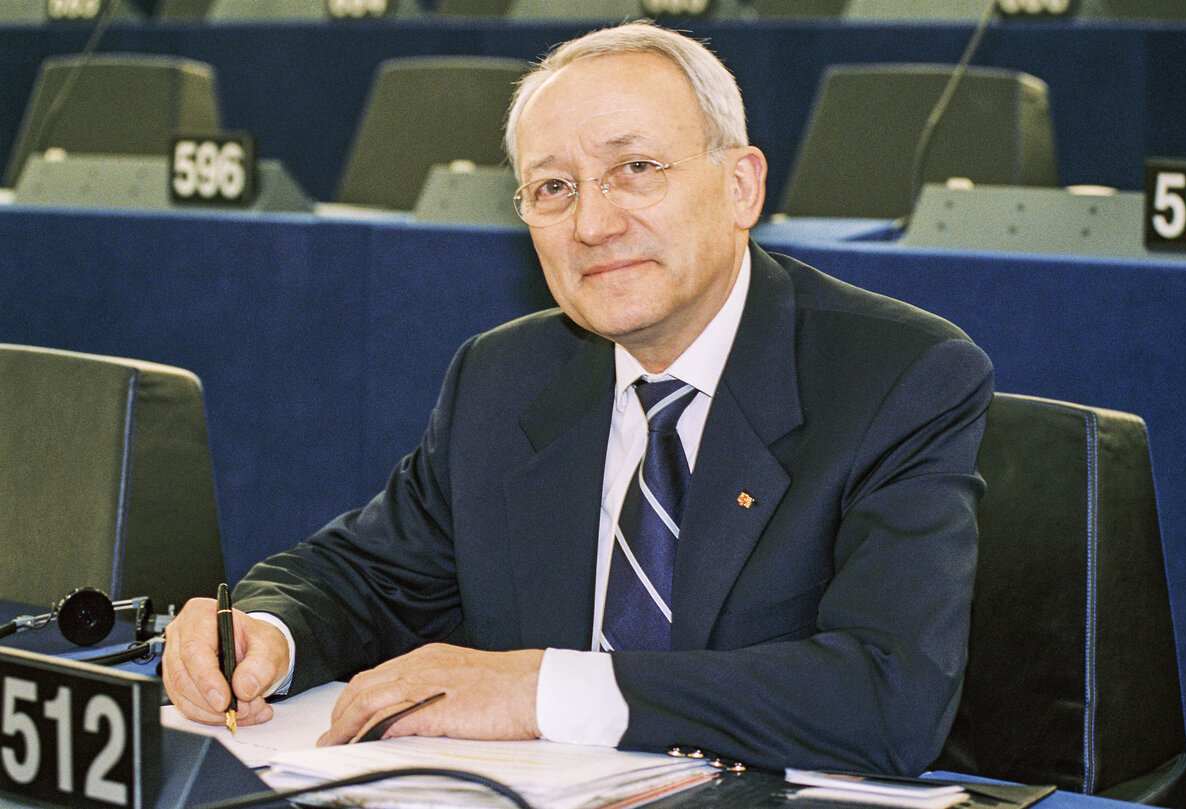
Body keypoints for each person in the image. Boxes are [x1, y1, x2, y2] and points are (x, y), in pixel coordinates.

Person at [163, 20, 993, 775]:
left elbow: (889, 696)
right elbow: (368, 577)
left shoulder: (898, 376)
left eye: (634, 169)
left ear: (741, 186)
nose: (592, 223)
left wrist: (541, 689)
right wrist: (262, 631)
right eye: (553, 188)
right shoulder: (505, 375)